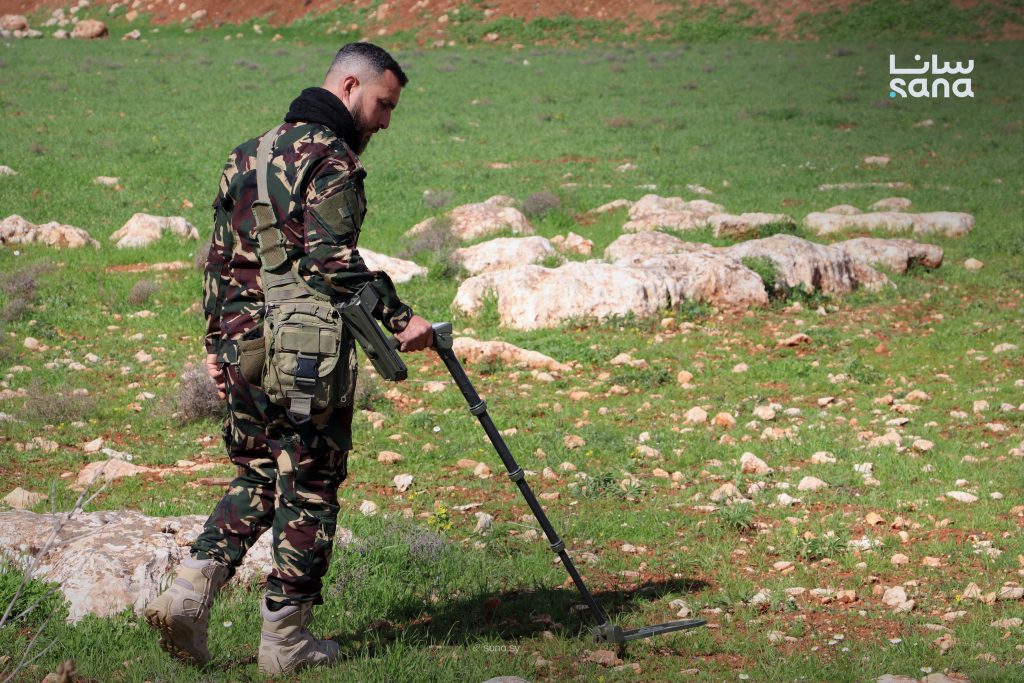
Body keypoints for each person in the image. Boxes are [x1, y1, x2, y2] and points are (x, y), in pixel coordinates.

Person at [144, 42, 433, 675]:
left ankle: (188, 595)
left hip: (234, 344)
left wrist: (224, 348)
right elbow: (331, 263)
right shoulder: (329, 159)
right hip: (299, 353)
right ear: (350, 85)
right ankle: (286, 643)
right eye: (384, 104)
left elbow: (219, 258)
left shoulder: (249, 151)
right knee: (311, 485)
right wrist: (399, 317)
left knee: (256, 474)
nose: (386, 120)